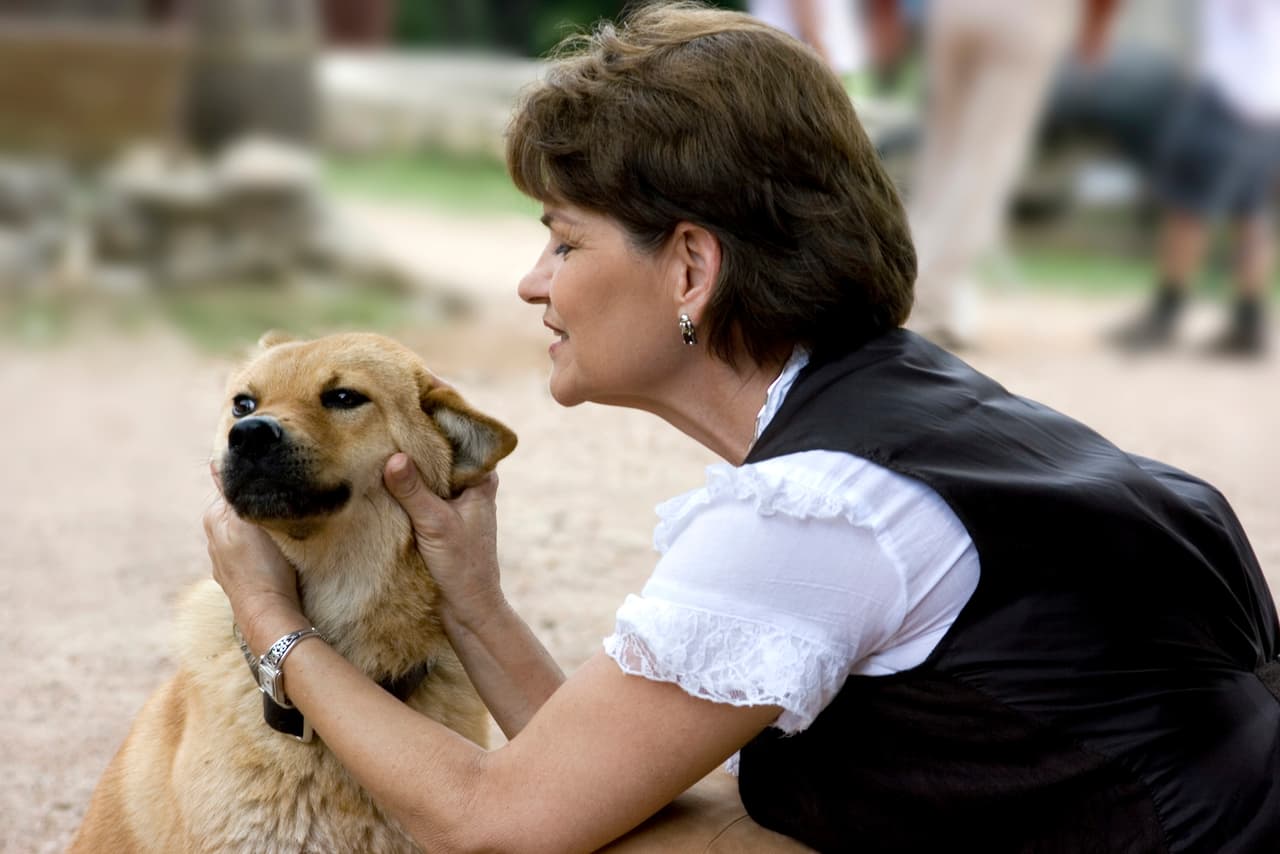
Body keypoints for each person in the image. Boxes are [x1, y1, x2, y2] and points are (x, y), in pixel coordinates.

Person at [205, 3, 1280, 851]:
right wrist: (473, 598)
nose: (533, 284)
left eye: (564, 242)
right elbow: (585, 786)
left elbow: (496, 821)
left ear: (688, 265)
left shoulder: (812, 516)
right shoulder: (917, 417)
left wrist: (267, 617)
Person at [905, 0, 1120, 348]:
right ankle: (932, 295)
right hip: (1028, 15)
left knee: (941, 156)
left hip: (953, 13)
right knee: (984, 161)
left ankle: (913, 277)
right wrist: (1097, 27)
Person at [1110, 0, 1280, 357]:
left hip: (1229, 89)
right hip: (1270, 98)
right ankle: (1249, 319)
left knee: (1187, 207)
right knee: (1252, 211)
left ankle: (1166, 312)